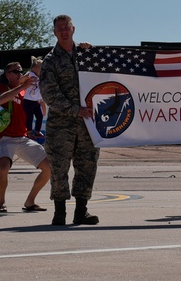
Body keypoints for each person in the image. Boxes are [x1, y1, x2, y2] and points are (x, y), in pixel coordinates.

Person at [40, 14, 100, 226]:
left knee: (87, 166)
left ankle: (81, 211)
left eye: (67, 27)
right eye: (60, 28)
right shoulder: (50, 61)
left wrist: (93, 52)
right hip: (61, 126)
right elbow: (49, 94)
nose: (64, 31)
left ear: (73, 29)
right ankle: (59, 213)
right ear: (55, 32)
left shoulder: (86, 55)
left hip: (88, 126)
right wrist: (76, 110)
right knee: (59, 169)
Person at [0, 61, 52, 213]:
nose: (20, 74)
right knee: (3, 167)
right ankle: (1, 203)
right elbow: (0, 99)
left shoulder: (25, 92)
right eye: (16, 71)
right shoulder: (4, 87)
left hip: (23, 137)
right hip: (5, 137)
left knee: (49, 168)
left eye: (21, 71)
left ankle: (30, 201)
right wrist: (22, 86)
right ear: (8, 75)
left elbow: (38, 103)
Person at [23, 56, 47, 138]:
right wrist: (26, 77)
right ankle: (29, 132)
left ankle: (37, 131)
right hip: (28, 100)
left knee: (39, 116)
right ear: (34, 68)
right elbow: (21, 80)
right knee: (29, 116)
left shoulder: (41, 78)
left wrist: (43, 108)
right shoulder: (30, 74)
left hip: (36, 101)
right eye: (41, 68)